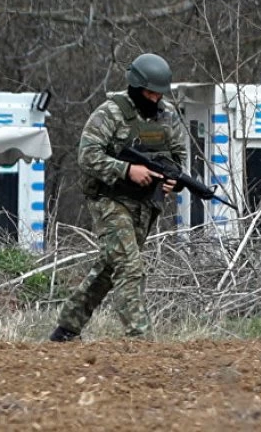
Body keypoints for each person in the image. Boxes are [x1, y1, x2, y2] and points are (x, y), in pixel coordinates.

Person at [50, 54, 189, 341]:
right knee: (129, 265)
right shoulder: (109, 114)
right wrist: (126, 170)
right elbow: (87, 157)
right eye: (149, 92)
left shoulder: (169, 118)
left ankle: (67, 328)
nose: (153, 98)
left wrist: (172, 181)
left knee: (110, 265)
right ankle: (140, 339)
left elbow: (177, 158)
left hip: (145, 206)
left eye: (158, 93)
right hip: (109, 200)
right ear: (136, 87)